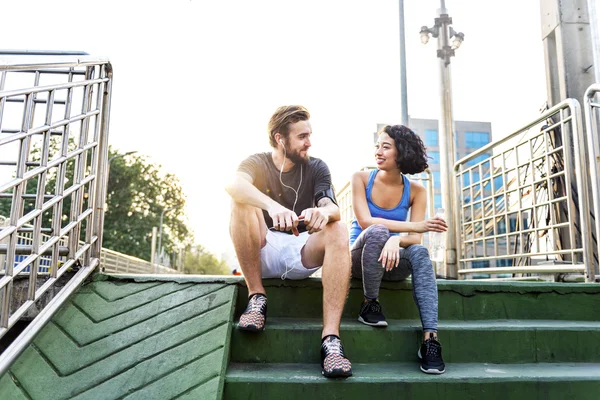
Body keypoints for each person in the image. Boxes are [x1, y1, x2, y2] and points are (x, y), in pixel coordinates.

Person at [225, 105, 352, 378]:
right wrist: (271, 206)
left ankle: (331, 340)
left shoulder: (317, 166)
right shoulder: (256, 162)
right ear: (280, 138)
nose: (309, 142)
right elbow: (233, 185)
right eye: (302, 136)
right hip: (262, 248)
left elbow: (334, 208)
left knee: (338, 228)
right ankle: (257, 297)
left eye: (309, 135)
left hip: (301, 251)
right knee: (240, 201)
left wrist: (323, 212)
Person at [349, 124, 448, 374]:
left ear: (401, 152)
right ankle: (370, 303)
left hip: (390, 262)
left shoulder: (416, 190)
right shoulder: (360, 178)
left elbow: (414, 240)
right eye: (377, 146)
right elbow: (365, 222)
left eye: (386, 147)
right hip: (358, 260)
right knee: (379, 231)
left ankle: (431, 339)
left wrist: (396, 239)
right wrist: (406, 229)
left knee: (420, 253)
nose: (378, 152)